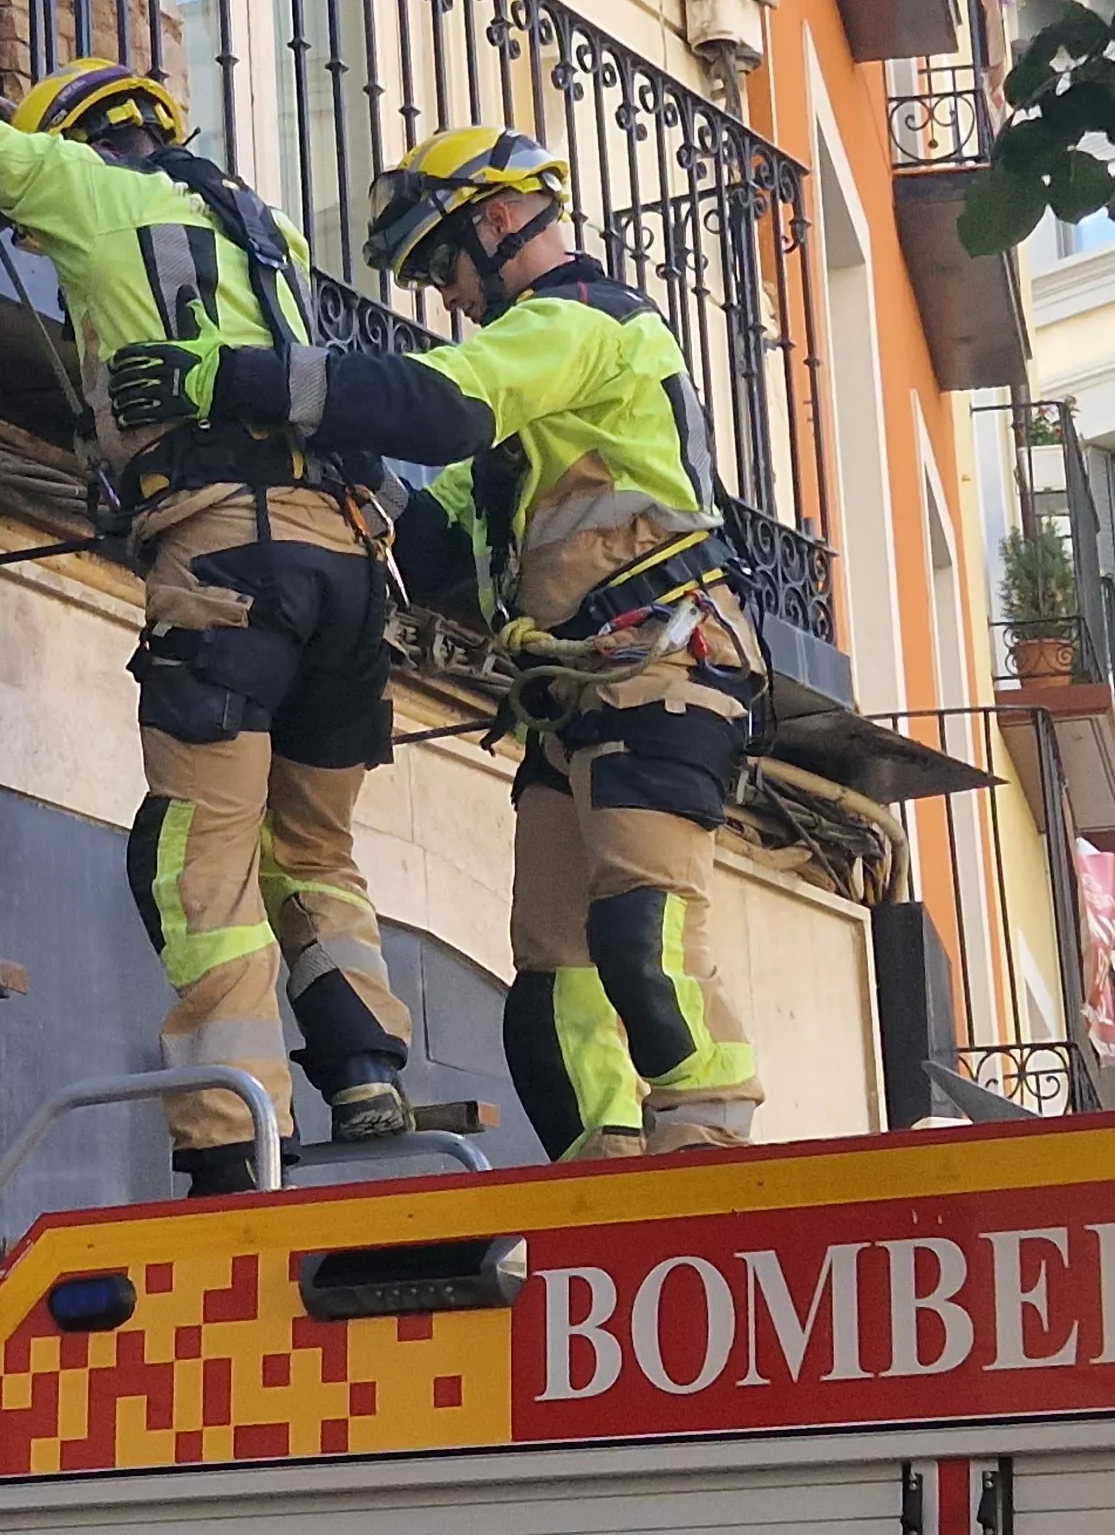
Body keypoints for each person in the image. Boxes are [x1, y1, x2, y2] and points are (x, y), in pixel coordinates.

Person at [0, 0, 412, 1195]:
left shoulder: (90, 190)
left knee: (196, 859)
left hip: (230, 559)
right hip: (351, 571)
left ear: (82, 138)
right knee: (316, 852)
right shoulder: (271, 241)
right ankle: (366, 1075)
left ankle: (229, 1144)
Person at [105, 126, 766, 1161]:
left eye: (442, 265)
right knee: (551, 990)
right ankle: (606, 1181)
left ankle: (714, 1163)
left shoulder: (587, 323)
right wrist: (275, 482)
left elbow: (441, 405)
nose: (447, 296)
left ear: (499, 221)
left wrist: (239, 378)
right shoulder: (531, 430)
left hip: (665, 669)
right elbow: (426, 524)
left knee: (644, 939)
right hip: (581, 696)